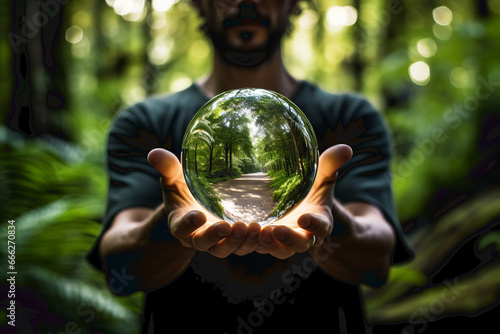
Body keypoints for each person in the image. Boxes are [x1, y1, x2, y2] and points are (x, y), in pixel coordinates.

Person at [87, 0, 413, 332]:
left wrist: (333, 221)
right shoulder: (144, 123)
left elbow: (376, 263)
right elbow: (119, 269)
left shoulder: (351, 117)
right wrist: (169, 228)